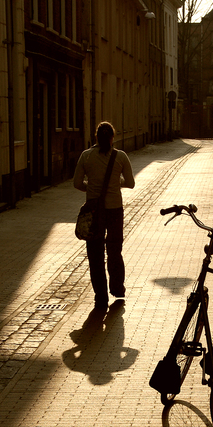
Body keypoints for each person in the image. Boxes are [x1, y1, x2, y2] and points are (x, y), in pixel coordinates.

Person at [74, 122, 135, 309]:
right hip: (115, 210)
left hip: (94, 211)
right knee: (114, 251)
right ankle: (117, 288)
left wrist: (92, 189)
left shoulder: (86, 156)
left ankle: (100, 296)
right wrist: (116, 184)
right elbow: (131, 183)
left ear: (96, 137)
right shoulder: (121, 156)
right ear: (113, 137)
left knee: (95, 255)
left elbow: (77, 183)